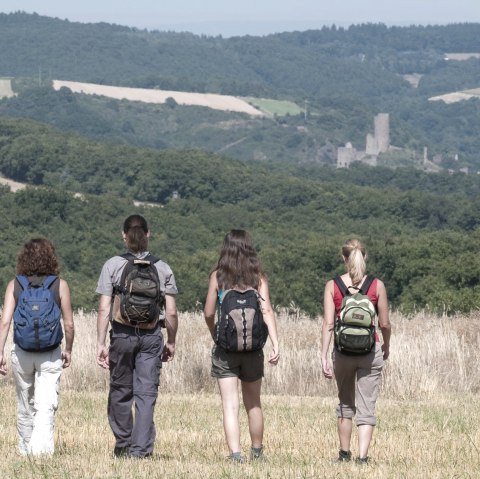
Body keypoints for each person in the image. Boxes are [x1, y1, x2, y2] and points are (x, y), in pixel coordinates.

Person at [96, 214, 178, 459]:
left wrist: (100, 342)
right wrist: (171, 340)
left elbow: (104, 308)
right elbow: (171, 312)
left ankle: (123, 443)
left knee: (121, 389)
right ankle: (140, 451)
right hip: (152, 336)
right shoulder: (162, 268)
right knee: (146, 393)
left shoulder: (113, 265)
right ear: (148, 234)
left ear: (123, 235)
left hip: (121, 335)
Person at [204, 229, 280, 463]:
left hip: (226, 349)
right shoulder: (258, 277)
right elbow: (266, 310)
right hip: (253, 349)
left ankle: (235, 455)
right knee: (253, 402)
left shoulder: (218, 276)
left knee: (230, 404)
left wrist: (215, 334)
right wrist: (276, 343)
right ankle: (257, 452)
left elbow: (208, 312)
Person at [0, 238, 74, 455]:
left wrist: (0, 351)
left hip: (22, 352)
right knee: (46, 403)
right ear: (51, 258)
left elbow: (5, 321)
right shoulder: (60, 285)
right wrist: (68, 349)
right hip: (50, 353)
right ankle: (40, 452)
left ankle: (25, 450)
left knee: (25, 403)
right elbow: (69, 323)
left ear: (23, 258)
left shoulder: (15, 285)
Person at [322, 238, 391, 464]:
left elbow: (329, 324)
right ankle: (362, 458)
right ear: (365, 256)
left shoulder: (333, 286)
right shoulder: (376, 285)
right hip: (370, 352)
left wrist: (324, 355)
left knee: (345, 403)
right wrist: (386, 345)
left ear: (344, 258)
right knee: (367, 404)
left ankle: (343, 455)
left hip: (342, 353)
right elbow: (385, 324)